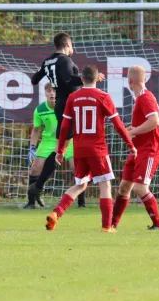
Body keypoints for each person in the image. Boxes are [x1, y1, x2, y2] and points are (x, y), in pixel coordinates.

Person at [45, 65, 136, 232]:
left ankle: (56, 213)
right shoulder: (103, 96)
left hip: (79, 149)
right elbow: (118, 125)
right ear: (96, 79)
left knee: (80, 185)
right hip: (97, 149)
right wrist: (130, 145)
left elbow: (64, 126)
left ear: (82, 78)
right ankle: (107, 227)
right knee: (105, 185)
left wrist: (61, 150)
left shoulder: (73, 97)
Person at [28, 33, 104, 205]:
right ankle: (38, 186)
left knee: (69, 147)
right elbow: (68, 80)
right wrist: (90, 79)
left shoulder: (48, 61)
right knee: (62, 149)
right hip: (70, 107)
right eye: (72, 45)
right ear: (67, 44)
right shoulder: (65, 61)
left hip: (63, 107)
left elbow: (34, 80)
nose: (72, 49)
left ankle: (78, 196)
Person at [111, 66, 159, 230]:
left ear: (129, 81)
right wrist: (131, 130)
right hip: (138, 150)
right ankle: (112, 223)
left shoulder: (145, 98)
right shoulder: (142, 98)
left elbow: (154, 121)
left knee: (141, 188)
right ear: (145, 79)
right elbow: (145, 123)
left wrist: (133, 131)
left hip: (150, 149)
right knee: (124, 187)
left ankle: (158, 224)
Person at [25, 83, 86, 209]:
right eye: (49, 91)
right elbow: (36, 130)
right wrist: (32, 146)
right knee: (35, 168)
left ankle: (82, 203)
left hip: (69, 141)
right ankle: (31, 202)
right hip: (49, 141)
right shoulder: (40, 109)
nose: (52, 93)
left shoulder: (67, 106)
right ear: (45, 93)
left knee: (77, 168)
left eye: (54, 91)